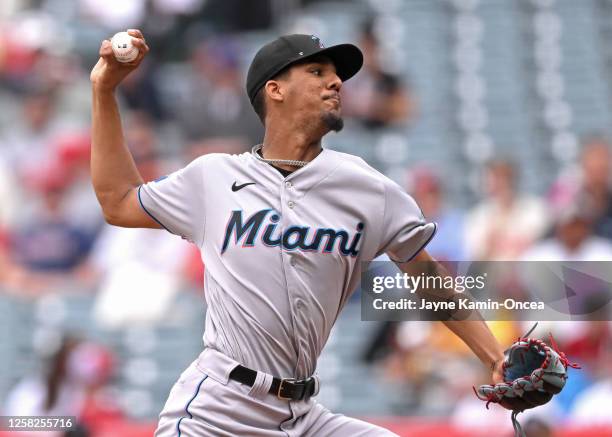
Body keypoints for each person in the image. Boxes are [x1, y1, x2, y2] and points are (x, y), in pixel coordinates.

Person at [90, 30, 511, 436]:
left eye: (337, 75)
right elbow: (119, 200)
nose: (335, 82)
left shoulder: (369, 189)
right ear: (275, 90)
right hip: (217, 410)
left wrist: (496, 357)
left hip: (302, 414)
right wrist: (105, 93)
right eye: (317, 72)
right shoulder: (214, 177)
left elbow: (427, 277)